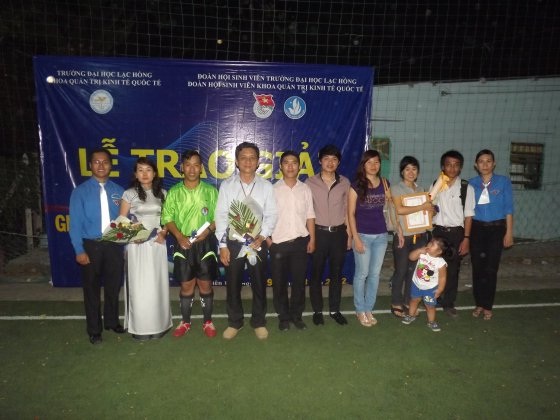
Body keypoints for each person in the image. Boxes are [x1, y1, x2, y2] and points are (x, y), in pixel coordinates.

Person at [215, 142, 277, 340]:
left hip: (257, 242)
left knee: (259, 283)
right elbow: (221, 216)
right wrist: (222, 245)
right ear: (237, 161)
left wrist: (262, 235)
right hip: (233, 242)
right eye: (243, 158)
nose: (248, 161)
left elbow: (271, 214)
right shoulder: (227, 185)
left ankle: (258, 321)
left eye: (252, 158)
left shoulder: (266, 186)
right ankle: (235, 322)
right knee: (233, 284)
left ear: (258, 162)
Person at [69, 148, 125, 345]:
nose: (101, 165)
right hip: (91, 245)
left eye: (105, 162)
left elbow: (124, 220)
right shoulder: (80, 192)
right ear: (90, 165)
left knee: (113, 286)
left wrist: (126, 244)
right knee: (91, 289)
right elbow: (75, 224)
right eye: (96, 162)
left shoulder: (119, 191)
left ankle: (112, 321)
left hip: (114, 245)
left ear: (111, 165)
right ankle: (94, 330)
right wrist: (79, 250)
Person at [161, 150, 219, 338]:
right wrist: (178, 236)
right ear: (182, 168)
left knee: (205, 286)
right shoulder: (174, 192)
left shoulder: (211, 191)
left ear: (201, 168)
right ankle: (185, 322)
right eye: (188, 165)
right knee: (186, 287)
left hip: (205, 244)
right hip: (183, 243)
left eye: (196, 165)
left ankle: (208, 321)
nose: (192, 169)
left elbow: (219, 218)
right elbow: (167, 218)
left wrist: (208, 231)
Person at [120, 157, 172, 340]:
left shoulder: (163, 193)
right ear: (135, 174)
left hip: (157, 244)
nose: (144, 174)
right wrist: (133, 236)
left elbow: (167, 219)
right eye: (140, 170)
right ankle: (140, 327)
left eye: (148, 169)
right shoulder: (129, 194)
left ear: (154, 173)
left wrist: (164, 233)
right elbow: (122, 221)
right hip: (137, 246)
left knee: (157, 285)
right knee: (139, 287)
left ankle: (159, 325)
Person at [268, 151, 315, 331]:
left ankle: (296, 316)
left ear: (299, 166)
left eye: (294, 162)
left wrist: (312, 239)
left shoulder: (305, 189)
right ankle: (283, 317)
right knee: (279, 284)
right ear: (280, 166)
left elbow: (310, 215)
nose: (290, 166)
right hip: (278, 243)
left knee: (299, 283)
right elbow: (264, 217)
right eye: (286, 162)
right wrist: (269, 241)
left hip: (300, 243)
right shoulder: (272, 190)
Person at [306, 144, 351, 326]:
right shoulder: (309, 183)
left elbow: (348, 210)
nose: (330, 162)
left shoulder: (345, 183)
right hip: (318, 233)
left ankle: (334, 310)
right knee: (316, 274)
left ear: (338, 162)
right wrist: (310, 237)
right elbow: (307, 212)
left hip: (339, 234)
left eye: (334, 159)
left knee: (336, 274)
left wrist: (349, 235)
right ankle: (317, 310)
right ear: (320, 161)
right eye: (326, 159)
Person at [467, 149, 514, 321]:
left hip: (496, 229)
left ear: (494, 164)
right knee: (477, 267)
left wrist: (509, 232)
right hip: (477, 229)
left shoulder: (503, 182)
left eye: (488, 161)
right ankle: (479, 303)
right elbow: (468, 211)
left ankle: (487, 305)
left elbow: (509, 208)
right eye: (481, 161)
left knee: (491, 268)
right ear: (476, 165)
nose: (485, 164)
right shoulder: (471, 184)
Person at [431, 150, 475, 317]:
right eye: (448, 164)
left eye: (456, 165)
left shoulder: (466, 187)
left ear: (460, 167)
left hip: (456, 233)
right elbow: (430, 207)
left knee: (453, 269)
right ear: (443, 166)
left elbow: (469, 215)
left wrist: (466, 238)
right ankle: (434, 298)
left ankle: (448, 302)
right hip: (438, 232)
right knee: (434, 267)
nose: (452, 168)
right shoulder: (436, 184)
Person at [390, 156, 435, 319]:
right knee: (401, 270)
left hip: (420, 235)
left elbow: (425, 213)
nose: (411, 172)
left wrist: (430, 211)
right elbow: (399, 210)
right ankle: (396, 302)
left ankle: (409, 301)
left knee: (414, 271)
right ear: (402, 171)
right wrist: (422, 206)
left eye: (414, 169)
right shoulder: (396, 189)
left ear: (418, 172)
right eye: (407, 169)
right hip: (403, 236)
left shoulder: (421, 189)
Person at [347, 150, 389, 327]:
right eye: (369, 162)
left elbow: (390, 209)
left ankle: (368, 308)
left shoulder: (385, 183)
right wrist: (355, 238)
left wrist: (400, 230)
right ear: (363, 165)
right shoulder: (356, 185)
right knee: (362, 274)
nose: (373, 165)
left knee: (374, 274)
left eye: (376, 162)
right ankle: (360, 309)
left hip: (381, 236)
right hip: (363, 235)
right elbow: (350, 213)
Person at [401, 236, 451, 332]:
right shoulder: (423, 253)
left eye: (432, 244)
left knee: (430, 306)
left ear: (439, 251)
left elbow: (442, 277)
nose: (429, 244)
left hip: (430, 288)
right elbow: (411, 257)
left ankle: (431, 321)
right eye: (430, 242)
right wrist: (419, 250)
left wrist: (440, 289)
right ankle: (411, 315)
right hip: (416, 284)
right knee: (414, 300)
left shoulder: (440, 263)